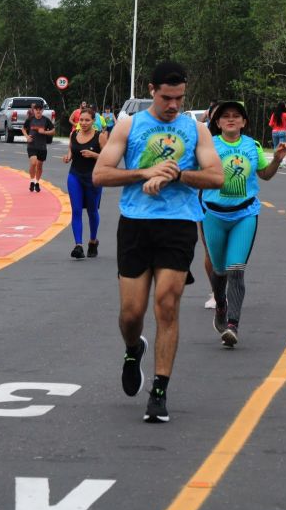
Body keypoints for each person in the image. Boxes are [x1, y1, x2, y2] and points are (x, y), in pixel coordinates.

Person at [92, 61, 224, 423]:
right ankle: (133, 349)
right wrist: (144, 172)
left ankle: (160, 390)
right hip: (136, 225)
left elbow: (217, 177)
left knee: (167, 305)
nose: (174, 105)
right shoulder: (129, 125)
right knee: (132, 314)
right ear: (152, 90)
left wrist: (179, 174)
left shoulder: (196, 130)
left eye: (179, 98)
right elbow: (100, 174)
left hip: (178, 224)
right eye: (167, 98)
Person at [203, 101, 286, 347]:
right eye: (225, 116)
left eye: (236, 116)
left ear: (244, 122)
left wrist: (277, 160)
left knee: (236, 269)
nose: (231, 119)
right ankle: (221, 304)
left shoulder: (253, 146)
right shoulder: (209, 146)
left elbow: (265, 174)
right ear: (217, 123)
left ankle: (232, 325)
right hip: (213, 215)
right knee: (218, 270)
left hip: (245, 214)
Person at [63, 107, 107, 259]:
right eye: (81, 120)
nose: (83, 123)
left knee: (92, 211)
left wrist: (94, 154)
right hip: (75, 175)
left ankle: (93, 241)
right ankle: (78, 245)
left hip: (93, 177)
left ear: (94, 121)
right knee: (76, 210)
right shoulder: (74, 134)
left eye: (87, 120)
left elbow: (108, 158)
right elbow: (71, 149)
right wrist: (68, 156)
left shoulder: (100, 136)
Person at [21, 102, 55, 192]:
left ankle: (36, 182)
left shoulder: (46, 120)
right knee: (33, 163)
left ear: (42, 110)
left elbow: (53, 130)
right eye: (36, 109)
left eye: (40, 109)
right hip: (32, 145)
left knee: (39, 166)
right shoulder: (30, 120)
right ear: (34, 110)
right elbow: (23, 129)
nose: (38, 111)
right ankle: (32, 180)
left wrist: (45, 132)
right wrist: (27, 137)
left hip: (42, 147)